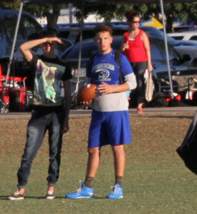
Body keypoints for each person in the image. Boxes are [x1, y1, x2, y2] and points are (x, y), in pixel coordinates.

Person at [66, 23, 134, 199]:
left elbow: (133, 83)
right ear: (95, 40)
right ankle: (88, 187)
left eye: (105, 38)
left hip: (116, 109)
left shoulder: (119, 57)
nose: (102, 41)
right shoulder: (93, 59)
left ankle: (119, 186)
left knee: (117, 147)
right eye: (99, 38)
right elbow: (88, 84)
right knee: (92, 148)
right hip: (98, 110)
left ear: (111, 40)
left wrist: (113, 89)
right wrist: (86, 94)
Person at [10, 29, 70, 200]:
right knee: (29, 152)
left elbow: (67, 92)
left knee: (54, 152)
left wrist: (66, 118)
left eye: (51, 44)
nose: (47, 46)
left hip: (56, 112)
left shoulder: (63, 65)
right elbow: (23, 47)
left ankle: (51, 187)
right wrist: (45, 38)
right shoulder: (37, 61)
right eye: (45, 44)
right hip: (38, 112)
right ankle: (21, 188)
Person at [121, 12, 152, 112]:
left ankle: (139, 104)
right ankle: (128, 102)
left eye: (139, 22)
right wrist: (123, 48)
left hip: (141, 61)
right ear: (129, 22)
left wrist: (149, 63)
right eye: (135, 22)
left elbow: (147, 49)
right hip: (128, 62)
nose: (137, 24)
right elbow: (121, 51)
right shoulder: (125, 35)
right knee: (128, 81)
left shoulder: (142, 34)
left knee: (139, 81)